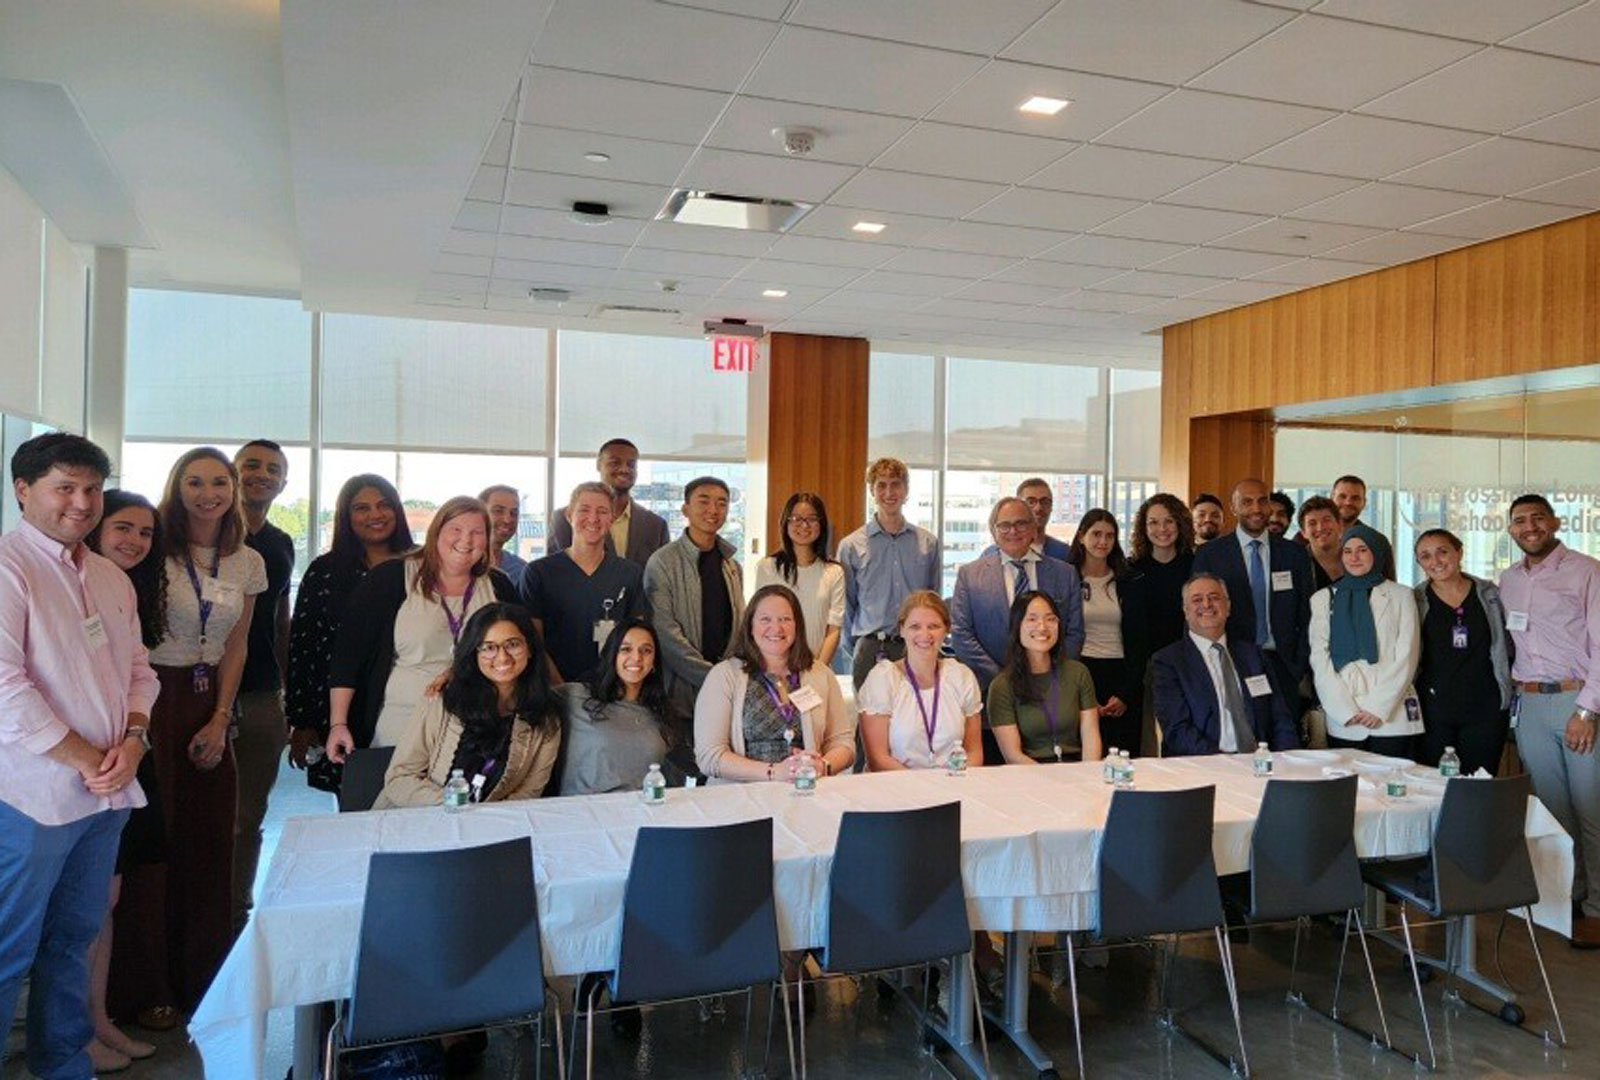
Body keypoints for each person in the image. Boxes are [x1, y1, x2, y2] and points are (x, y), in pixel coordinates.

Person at [0, 434, 158, 1080]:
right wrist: (87, 757)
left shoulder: (108, 575)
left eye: (91, 489)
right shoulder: (10, 568)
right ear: (23, 490)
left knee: (72, 943)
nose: (82, 502)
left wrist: (135, 739)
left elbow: (139, 671)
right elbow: (6, 687)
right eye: (64, 487)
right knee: (8, 949)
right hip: (31, 798)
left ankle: (63, 1064)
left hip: (106, 795)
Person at [144, 447, 267, 1008]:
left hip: (209, 699)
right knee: (153, 843)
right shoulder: (153, 551)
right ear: (177, 487)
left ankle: (205, 977)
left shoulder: (245, 560)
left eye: (219, 481)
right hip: (151, 698)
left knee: (211, 838)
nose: (207, 492)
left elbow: (237, 645)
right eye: (194, 481)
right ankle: (149, 985)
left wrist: (221, 716)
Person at [326, 496, 518, 760]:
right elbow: (349, 656)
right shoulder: (390, 578)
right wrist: (339, 724)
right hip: (402, 722)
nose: (466, 540)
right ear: (436, 532)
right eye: (456, 530)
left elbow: (520, 652)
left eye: (477, 532)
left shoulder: (499, 585)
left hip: (480, 725)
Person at [84, 492, 171, 1065]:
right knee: (82, 905)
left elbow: (140, 673)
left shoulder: (126, 588)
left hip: (128, 752)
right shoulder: (65, 583)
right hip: (80, 762)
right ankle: (75, 1031)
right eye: (123, 527)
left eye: (145, 532)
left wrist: (136, 738)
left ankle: (96, 1022)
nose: (134, 540)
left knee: (107, 897)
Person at [1498, 494, 1600, 947]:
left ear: (1555, 522)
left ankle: (1598, 908)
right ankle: (1567, 900)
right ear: (1511, 530)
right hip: (1531, 704)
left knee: (1591, 808)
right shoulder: (1508, 580)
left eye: (1538, 518)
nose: (1530, 526)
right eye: (1520, 520)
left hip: (1576, 700)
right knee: (1554, 810)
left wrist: (1587, 709)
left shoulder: (1585, 570)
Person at [285, 475, 414, 775]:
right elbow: (302, 647)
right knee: (355, 794)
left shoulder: (423, 564)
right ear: (347, 516)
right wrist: (301, 721)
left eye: (384, 505)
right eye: (361, 508)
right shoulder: (324, 571)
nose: (375, 515)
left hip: (409, 701)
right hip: (340, 706)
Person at [374, 603, 560, 808]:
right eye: (489, 647)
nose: (502, 657)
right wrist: (459, 809)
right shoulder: (441, 701)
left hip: (492, 828)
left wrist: (483, 823)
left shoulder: (546, 718)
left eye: (513, 644)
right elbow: (399, 779)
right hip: (417, 820)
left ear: (530, 649)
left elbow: (529, 792)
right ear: (474, 653)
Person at [694, 585, 855, 782]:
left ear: (797, 626)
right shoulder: (724, 676)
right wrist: (774, 772)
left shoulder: (821, 674)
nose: (776, 628)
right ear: (750, 626)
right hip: (744, 800)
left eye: (785, 619)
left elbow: (843, 743)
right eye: (765, 619)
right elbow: (709, 756)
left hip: (807, 793)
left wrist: (823, 766)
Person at [230, 439, 294, 932]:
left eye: (273, 469)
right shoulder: (198, 535)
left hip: (260, 693)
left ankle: (235, 914)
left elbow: (279, 618)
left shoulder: (279, 543)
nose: (261, 474)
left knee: (248, 815)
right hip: (195, 691)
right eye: (251, 464)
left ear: (284, 483)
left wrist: (286, 692)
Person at [1152, 574, 1299, 756]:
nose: (1206, 604)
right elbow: (1177, 730)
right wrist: (1225, 763)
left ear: (1228, 607)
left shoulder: (1254, 655)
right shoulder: (1168, 661)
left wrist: (1285, 759)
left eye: (1214, 597)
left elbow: (1280, 718)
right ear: (1185, 611)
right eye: (1197, 599)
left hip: (1260, 762)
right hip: (1202, 765)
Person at [1192, 478, 1315, 695]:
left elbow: (1308, 614)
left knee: (1285, 729)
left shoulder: (1295, 554)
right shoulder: (1210, 555)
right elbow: (1197, 614)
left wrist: (1299, 664)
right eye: (1247, 502)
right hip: (1230, 663)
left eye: (1262, 501)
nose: (1256, 509)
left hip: (1284, 666)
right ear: (1233, 507)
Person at [951, 496, 1083, 697]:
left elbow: (1075, 633)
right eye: (1004, 525)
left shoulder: (1064, 574)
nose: (1013, 531)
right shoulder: (970, 576)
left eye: (1021, 524)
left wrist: (1047, 676)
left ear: (1033, 529)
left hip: (1050, 692)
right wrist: (1002, 680)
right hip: (991, 692)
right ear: (994, 532)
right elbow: (961, 635)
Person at [520, 482, 648, 685]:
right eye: (584, 510)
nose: (593, 518)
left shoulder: (630, 574)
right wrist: (562, 690)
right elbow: (534, 642)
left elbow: (638, 640)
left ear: (612, 518)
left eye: (602, 511)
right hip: (554, 691)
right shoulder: (538, 573)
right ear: (569, 515)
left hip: (612, 690)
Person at [1309, 525, 1421, 757]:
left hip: (1392, 714)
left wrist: (1379, 707)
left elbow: (1407, 655)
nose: (1354, 557)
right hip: (1344, 716)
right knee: (1349, 787)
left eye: (1362, 550)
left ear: (1377, 553)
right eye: (1348, 551)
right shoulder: (1322, 598)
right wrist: (1343, 710)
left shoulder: (1401, 595)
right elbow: (1320, 658)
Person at [1412, 529, 1512, 776]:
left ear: (1459, 552)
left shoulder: (1490, 595)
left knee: (1479, 784)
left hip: (1485, 707)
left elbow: (1510, 643)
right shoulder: (1415, 600)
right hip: (1433, 710)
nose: (1435, 561)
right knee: (1435, 787)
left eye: (1442, 552)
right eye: (1425, 556)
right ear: (1419, 563)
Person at [644, 476, 744, 722]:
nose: (713, 510)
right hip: (679, 692)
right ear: (685, 509)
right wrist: (712, 677)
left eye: (722, 503)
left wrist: (729, 676)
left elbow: (738, 626)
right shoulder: (663, 562)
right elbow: (665, 632)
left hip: (726, 690)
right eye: (704, 501)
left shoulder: (731, 565)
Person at [839, 457, 943, 691]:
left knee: (917, 719)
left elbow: (933, 600)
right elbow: (847, 605)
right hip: (870, 647)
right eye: (881, 485)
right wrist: (857, 646)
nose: (889, 492)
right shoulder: (851, 546)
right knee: (870, 721)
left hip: (916, 645)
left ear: (906, 490)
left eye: (895, 484)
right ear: (872, 492)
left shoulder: (928, 543)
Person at [859, 592, 984, 771]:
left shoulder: (961, 677)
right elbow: (878, 759)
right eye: (915, 627)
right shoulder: (883, 679)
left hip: (954, 786)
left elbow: (974, 753)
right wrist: (923, 789)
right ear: (902, 630)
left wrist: (951, 785)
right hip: (898, 789)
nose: (925, 635)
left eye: (933, 626)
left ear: (946, 630)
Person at [555, 618, 678, 796]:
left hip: (641, 813)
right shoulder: (576, 696)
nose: (636, 658)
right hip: (582, 813)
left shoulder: (662, 713)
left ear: (654, 663)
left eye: (646, 650)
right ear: (612, 655)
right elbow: (525, 700)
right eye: (626, 649)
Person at [987, 592, 1101, 764]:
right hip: (1030, 775)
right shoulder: (1002, 686)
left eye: (1050, 619)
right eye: (1032, 619)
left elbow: (1091, 739)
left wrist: (1086, 777)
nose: (1042, 627)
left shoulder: (1078, 673)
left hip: (1078, 769)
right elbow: (1012, 755)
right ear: (1017, 626)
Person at [1124, 494, 1197, 755]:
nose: (1161, 529)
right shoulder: (1131, 570)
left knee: (1185, 733)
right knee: (1148, 741)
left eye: (1168, 521)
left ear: (1180, 524)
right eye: (1153, 522)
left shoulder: (1195, 565)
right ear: (1144, 528)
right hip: (1145, 667)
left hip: (1188, 663)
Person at [1066, 509, 1143, 754]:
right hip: (1081, 670)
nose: (1103, 542)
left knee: (1122, 753)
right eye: (1096, 534)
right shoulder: (1066, 577)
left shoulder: (1128, 580)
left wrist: (1125, 694)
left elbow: (1139, 641)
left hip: (1121, 673)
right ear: (1081, 536)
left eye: (1110, 536)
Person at [754, 492, 846, 666]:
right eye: (796, 518)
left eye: (812, 519)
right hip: (773, 668)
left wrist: (817, 670)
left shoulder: (834, 572)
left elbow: (833, 628)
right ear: (785, 523)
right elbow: (761, 622)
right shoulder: (767, 567)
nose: (804, 525)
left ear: (822, 524)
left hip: (818, 666)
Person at [548, 438, 670, 567]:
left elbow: (663, 577)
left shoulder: (656, 526)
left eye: (631, 465)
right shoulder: (566, 519)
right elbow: (552, 571)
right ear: (598, 465)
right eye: (614, 463)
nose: (624, 469)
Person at [480, 484, 527, 586]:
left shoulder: (521, 569)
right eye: (498, 511)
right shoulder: (460, 567)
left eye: (514, 513)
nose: (507, 519)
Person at [1016, 477, 1070, 561]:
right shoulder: (995, 555)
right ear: (1018, 507)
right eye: (1031, 502)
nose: (1038, 508)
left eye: (1045, 502)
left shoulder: (1065, 553)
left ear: (1051, 507)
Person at [1298, 495, 1344, 591]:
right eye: (1312, 523)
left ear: (1339, 525)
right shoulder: (1296, 565)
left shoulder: (1357, 558)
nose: (1320, 528)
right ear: (1303, 532)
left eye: (1326, 520)